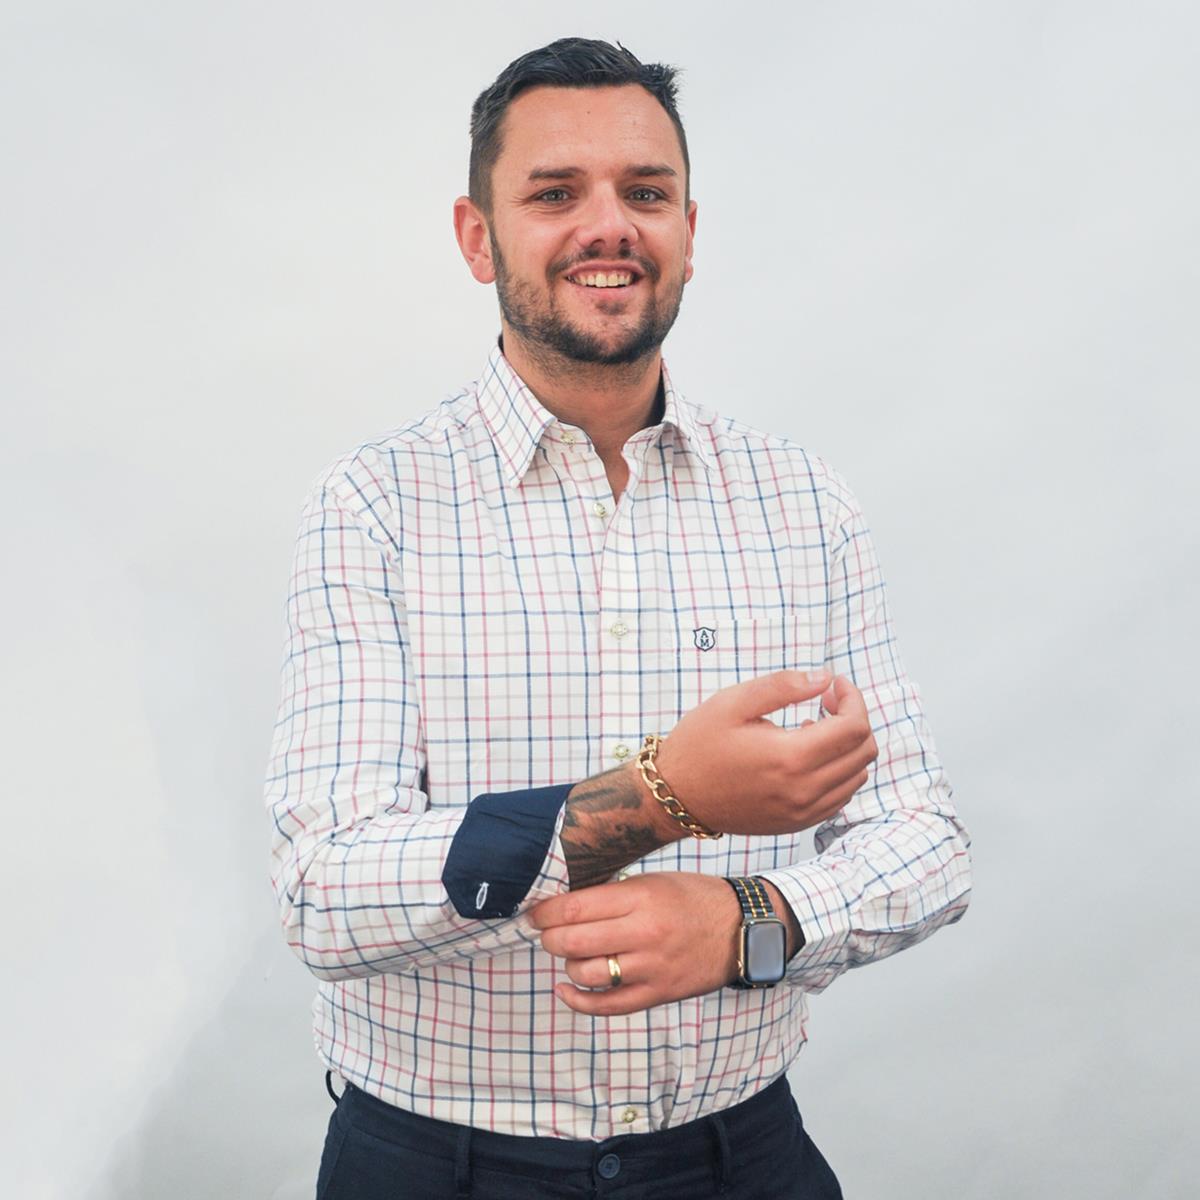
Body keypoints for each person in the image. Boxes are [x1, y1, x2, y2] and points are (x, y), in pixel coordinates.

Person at [264, 37, 972, 1200]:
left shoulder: (803, 502)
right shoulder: (375, 506)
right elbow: (323, 892)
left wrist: (752, 920)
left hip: (741, 1156)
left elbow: (927, 843)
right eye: (555, 194)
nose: (609, 227)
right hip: (440, 1166)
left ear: (689, 229)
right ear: (477, 237)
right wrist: (657, 798)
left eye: (645, 193)